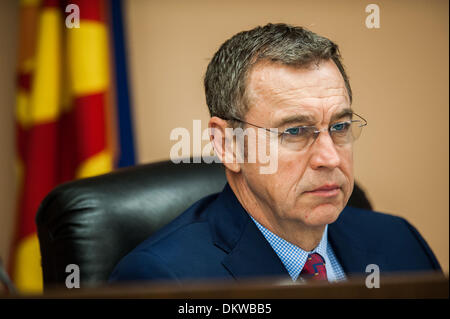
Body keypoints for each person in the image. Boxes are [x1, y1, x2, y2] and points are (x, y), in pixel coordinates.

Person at [109, 23, 441, 284]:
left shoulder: (399, 241)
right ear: (228, 145)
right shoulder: (165, 278)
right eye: (295, 131)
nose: (330, 158)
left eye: (339, 127)